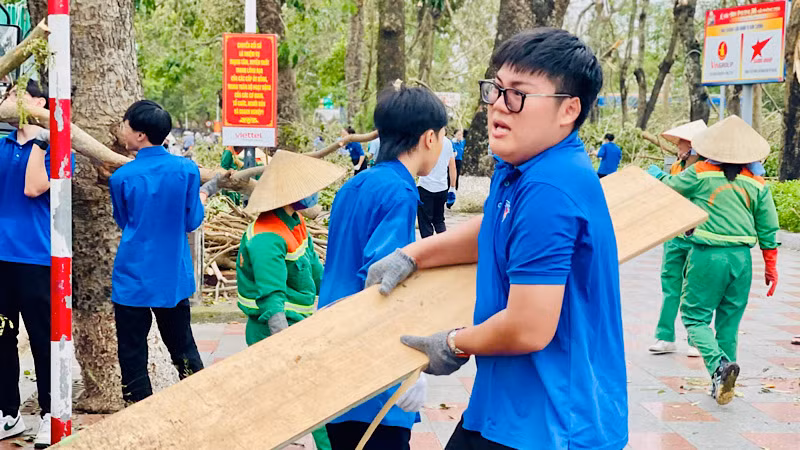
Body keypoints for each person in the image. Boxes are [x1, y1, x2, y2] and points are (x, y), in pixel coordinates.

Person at [365, 29, 628, 449]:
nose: (497, 106)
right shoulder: (520, 168)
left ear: (568, 110)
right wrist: (412, 254)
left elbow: (528, 327)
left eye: (518, 94)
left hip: (552, 423)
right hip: (506, 405)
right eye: (496, 89)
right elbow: (494, 231)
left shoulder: (550, 188)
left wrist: (451, 343)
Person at [318, 84, 448, 450]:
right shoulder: (400, 192)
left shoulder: (356, 184)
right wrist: (406, 369)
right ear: (428, 138)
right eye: (442, 137)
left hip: (334, 344)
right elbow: (382, 283)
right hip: (371, 370)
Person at [646, 115, 779, 405]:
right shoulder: (756, 181)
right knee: (729, 324)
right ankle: (722, 380)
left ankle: (719, 366)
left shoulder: (701, 172)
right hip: (742, 260)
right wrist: (771, 265)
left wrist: (655, 174)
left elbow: (670, 186)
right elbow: (768, 226)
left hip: (708, 255)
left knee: (694, 318)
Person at [235, 150, 344, 450]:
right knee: (309, 396)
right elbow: (272, 299)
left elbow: (315, 268)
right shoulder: (267, 236)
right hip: (273, 329)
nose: (313, 195)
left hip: (300, 323)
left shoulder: (294, 222)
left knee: (295, 396)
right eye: (307, 191)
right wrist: (285, 343)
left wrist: (341, 300)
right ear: (289, 195)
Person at [109, 100, 205, 405]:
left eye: (125, 124)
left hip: (132, 276)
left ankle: (139, 411)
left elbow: (124, 221)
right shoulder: (187, 170)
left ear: (139, 136)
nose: (121, 130)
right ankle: (199, 402)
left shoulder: (121, 178)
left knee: (132, 351)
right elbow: (192, 221)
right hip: (172, 276)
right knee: (183, 346)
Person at [0, 80, 59, 448]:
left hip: (36, 258)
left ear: (38, 102)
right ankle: (8, 411)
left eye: (12, 96)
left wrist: (39, 139)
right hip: (1, 259)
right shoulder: (2, 145)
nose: (6, 101)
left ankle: (52, 413)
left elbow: (34, 187)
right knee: (2, 336)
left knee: (42, 338)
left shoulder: (56, 148)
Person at [649, 120, 707, 357]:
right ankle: (665, 336)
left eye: (682, 143)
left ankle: (695, 340)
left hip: (698, 236)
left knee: (695, 289)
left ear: (694, 146)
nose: (678, 147)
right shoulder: (676, 167)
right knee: (670, 285)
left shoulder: (706, 170)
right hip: (674, 235)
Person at [417, 131, 457, 237]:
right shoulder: (448, 143)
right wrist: (452, 188)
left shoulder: (424, 140)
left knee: (425, 223)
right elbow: (452, 166)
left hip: (425, 187)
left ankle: (428, 250)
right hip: (442, 187)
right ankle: (445, 248)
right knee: (439, 221)